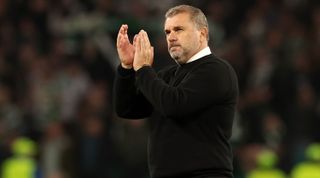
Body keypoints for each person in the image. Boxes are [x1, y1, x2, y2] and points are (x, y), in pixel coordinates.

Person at [114, 4, 239, 178]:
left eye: (178, 29)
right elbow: (127, 109)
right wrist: (127, 68)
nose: (171, 37)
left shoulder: (216, 70)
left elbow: (174, 105)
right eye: (167, 32)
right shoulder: (166, 75)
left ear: (202, 34)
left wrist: (143, 69)